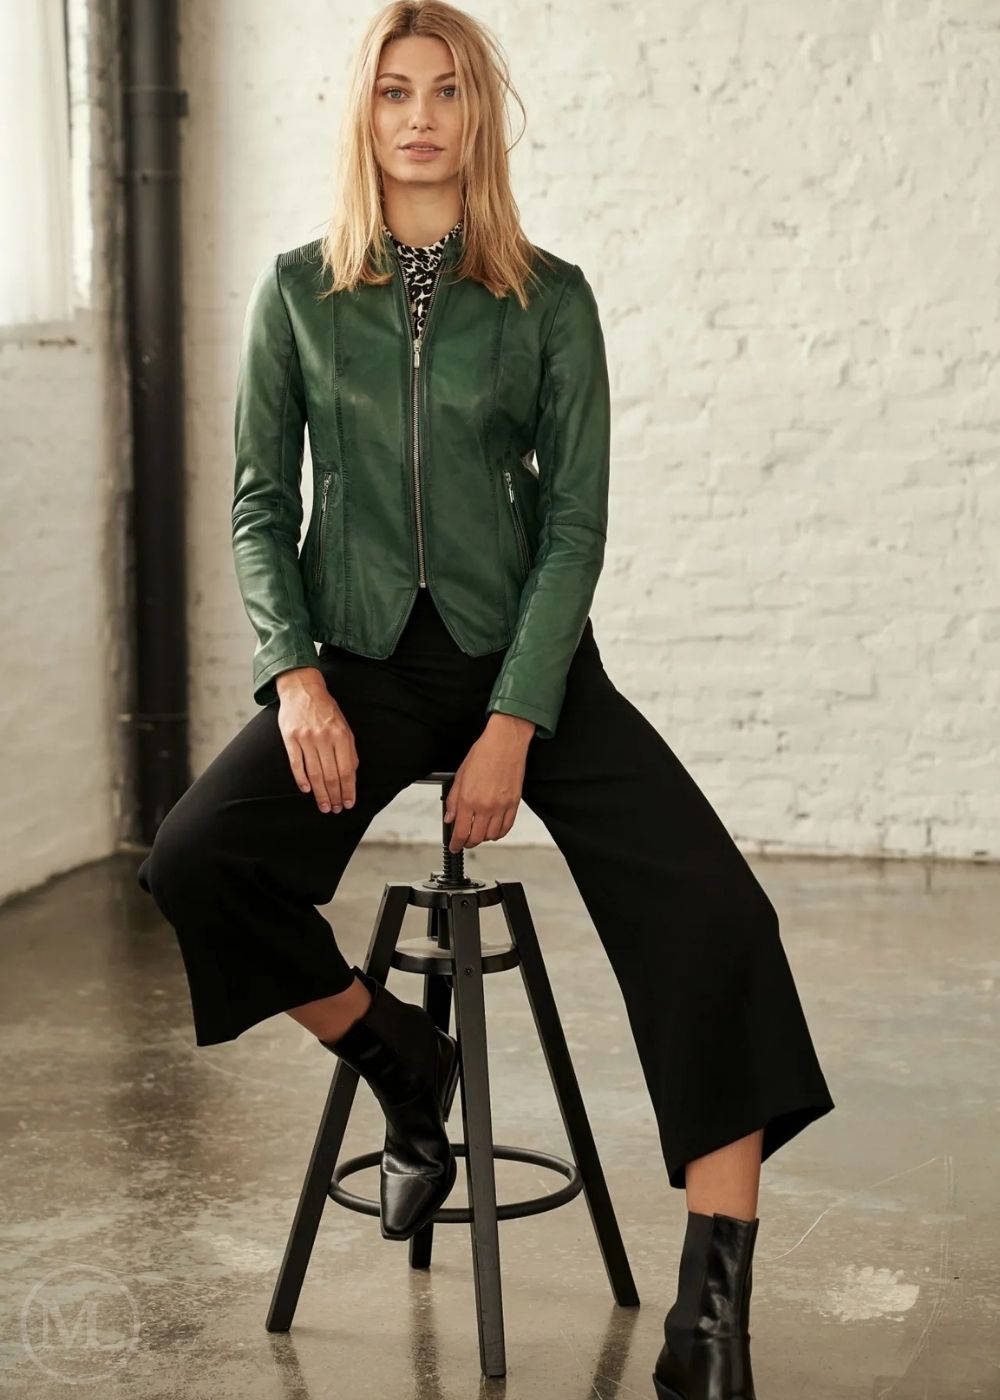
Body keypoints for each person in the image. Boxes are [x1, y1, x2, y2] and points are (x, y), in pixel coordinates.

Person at [136, 3, 835, 1394]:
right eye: (394, 90)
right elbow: (263, 503)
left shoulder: (547, 298)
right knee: (197, 862)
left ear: (478, 117)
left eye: (447, 91)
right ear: (366, 115)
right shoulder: (296, 292)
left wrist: (518, 716)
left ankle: (713, 1315)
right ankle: (401, 1060)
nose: (419, 116)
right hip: (357, 663)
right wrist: (296, 680)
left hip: (527, 662)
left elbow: (573, 528)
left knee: (716, 911)